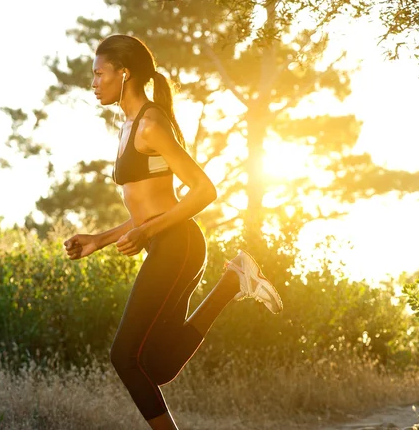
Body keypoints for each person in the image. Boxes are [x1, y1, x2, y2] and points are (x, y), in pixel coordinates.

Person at [63, 34, 283, 430]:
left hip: (178, 245)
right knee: (156, 365)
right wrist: (100, 239)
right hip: (168, 244)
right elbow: (149, 209)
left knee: (124, 357)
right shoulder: (127, 127)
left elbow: (204, 190)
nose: (93, 83)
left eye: (99, 74)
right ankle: (232, 283)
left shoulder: (150, 125)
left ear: (123, 73)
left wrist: (148, 234)